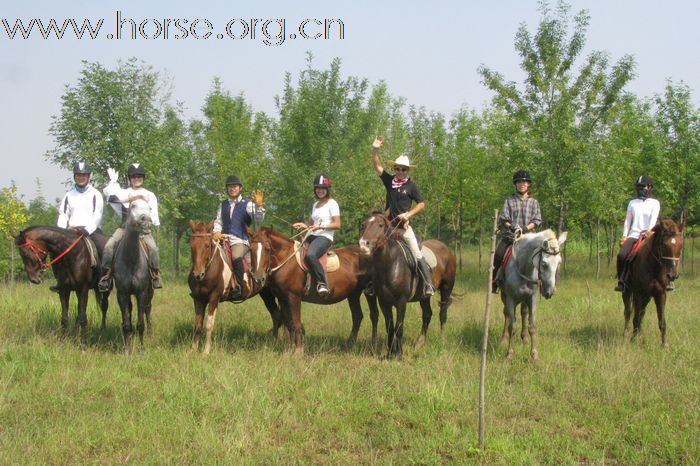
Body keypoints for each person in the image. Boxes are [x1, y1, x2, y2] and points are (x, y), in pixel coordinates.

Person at [371, 136, 434, 296]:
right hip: (388, 228)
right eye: (398, 168)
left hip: (404, 228)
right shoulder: (390, 181)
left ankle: (428, 284)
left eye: (403, 169)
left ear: (408, 171)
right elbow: (377, 166)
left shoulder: (411, 186)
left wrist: (408, 214)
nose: (400, 171)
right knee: (372, 250)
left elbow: (421, 203)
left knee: (417, 253)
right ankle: (372, 284)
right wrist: (375, 149)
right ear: (395, 169)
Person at [98, 163, 162, 292]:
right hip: (124, 229)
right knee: (109, 246)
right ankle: (107, 276)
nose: (136, 179)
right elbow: (109, 196)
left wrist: (150, 224)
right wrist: (113, 182)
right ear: (129, 178)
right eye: (133, 176)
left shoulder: (150, 195)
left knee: (154, 249)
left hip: (143, 230)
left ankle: (155, 275)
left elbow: (154, 216)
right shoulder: (123, 192)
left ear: (143, 178)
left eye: (139, 176)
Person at [52, 161, 105, 292]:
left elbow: (97, 215)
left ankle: (104, 279)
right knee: (54, 250)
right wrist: (61, 231)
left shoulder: (95, 194)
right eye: (78, 175)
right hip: (72, 231)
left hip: (91, 230)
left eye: (84, 175)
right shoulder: (68, 195)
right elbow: (63, 214)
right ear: (74, 176)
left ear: (89, 176)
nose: (81, 178)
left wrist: (87, 230)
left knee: (106, 247)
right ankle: (59, 280)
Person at [212, 175, 265, 301]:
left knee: (236, 256)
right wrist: (216, 231)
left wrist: (259, 206)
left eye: (235, 186)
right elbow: (218, 221)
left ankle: (239, 286)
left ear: (240, 188)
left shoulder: (247, 204)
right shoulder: (223, 204)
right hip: (223, 238)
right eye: (230, 187)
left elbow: (258, 218)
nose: (232, 189)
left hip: (240, 240)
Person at [492, 170, 543, 293]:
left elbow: (537, 220)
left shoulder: (534, 202)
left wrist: (525, 228)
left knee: (544, 257)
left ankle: (543, 283)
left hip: (529, 237)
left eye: (525, 182)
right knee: (498, 254)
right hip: (511, 236)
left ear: (528, 184)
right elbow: (504, 218)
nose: (522, 184)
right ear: (515, 184)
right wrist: (512, 227)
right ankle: (495, 281)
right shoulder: (509, 200)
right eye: (519, 182)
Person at [292, 175, 341, 297]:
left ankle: (322, 283)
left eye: (323, 188)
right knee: (294, 252)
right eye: (318, 188)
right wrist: (304, 225)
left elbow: (337, 224)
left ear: (327, 189)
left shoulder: (332, 203)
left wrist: (320, 226)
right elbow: (311, 223)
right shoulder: (315, 204)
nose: (320, 190)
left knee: (310, 254)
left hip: (325, 237)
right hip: (312, 235)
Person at [615, 175, 664, 292]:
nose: (640, 189)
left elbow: (654, 218)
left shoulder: (654, 203)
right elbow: (628, 221)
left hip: (650, 235)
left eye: (643, 186)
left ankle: (667, 280)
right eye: (638, 187)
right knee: (621, 255)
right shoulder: (632, 203)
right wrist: (624, 235)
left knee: (665, 253)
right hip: (634, 235)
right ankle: (622, 281)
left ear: (649, 187)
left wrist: (649, 230)